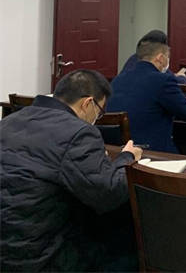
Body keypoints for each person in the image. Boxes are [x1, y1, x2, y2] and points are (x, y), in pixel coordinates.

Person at [1, 69, 143, 271]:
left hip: (9, 243)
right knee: (125, 241)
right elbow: (108, 193)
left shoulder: (9, 121)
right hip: (38, 256)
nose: (97, 119)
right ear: (87, 103)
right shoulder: (78, 132)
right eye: (99, 112)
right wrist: (126, 158)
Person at [108, 41, 186, 152]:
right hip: (152, 151)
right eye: (168, 58)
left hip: (117, 149)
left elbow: (143, 104)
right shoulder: (163, 80)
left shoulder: (118, 79)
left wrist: (180, 102)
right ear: (160, 58)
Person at [119, 29, 186, 83]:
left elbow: (168, 76)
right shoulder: (152, 61)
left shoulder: (134, 58)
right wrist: (182, 77)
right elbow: (171, 81)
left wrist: (175, 76)